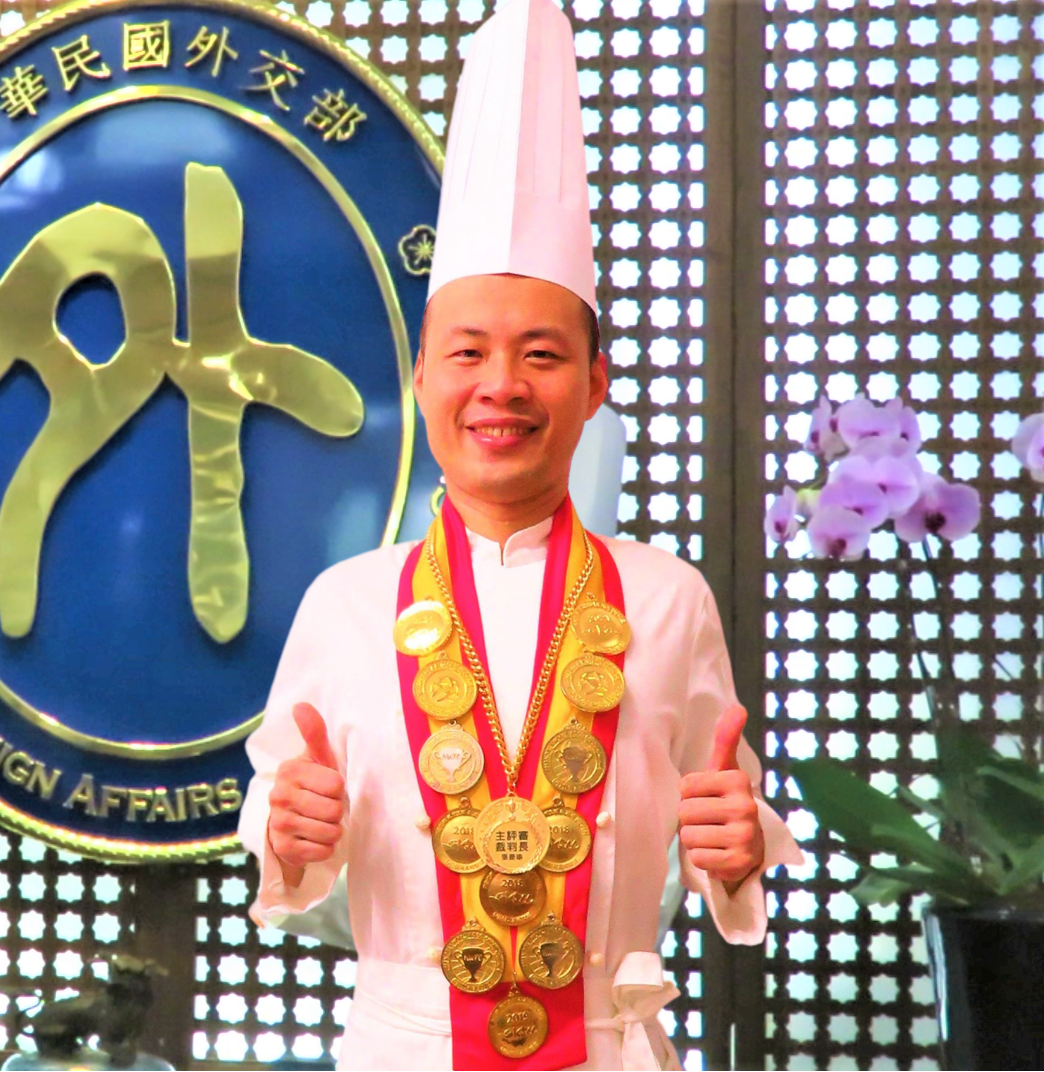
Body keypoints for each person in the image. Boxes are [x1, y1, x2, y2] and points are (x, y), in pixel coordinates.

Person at [238, 0, 802, 1067]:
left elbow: (723, 818)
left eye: (541, 354)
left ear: (594, 384)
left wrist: (737, 848)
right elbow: (281, 827)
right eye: (467, 353)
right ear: (420, 378)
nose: (501, 385)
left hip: (608, 1044)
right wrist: (286, 830)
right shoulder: (345, 604)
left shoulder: (668, 597)